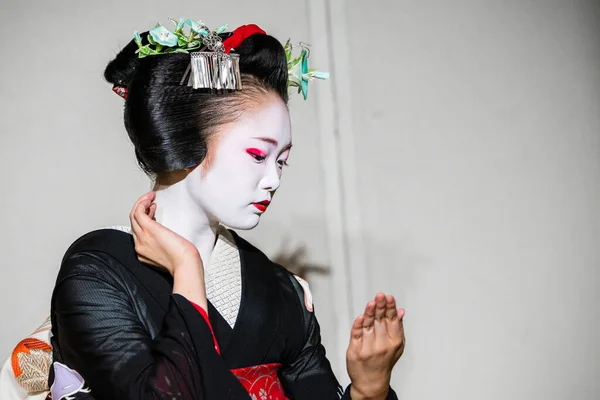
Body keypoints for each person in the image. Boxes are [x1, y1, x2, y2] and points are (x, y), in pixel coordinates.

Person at [38, 19, 406, 400]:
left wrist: (369, 387)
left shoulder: (281, 291)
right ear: (186, 140)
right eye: (257, 155)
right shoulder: (98, 272)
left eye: (281, 161)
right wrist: (186, 268)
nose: (273, 180)